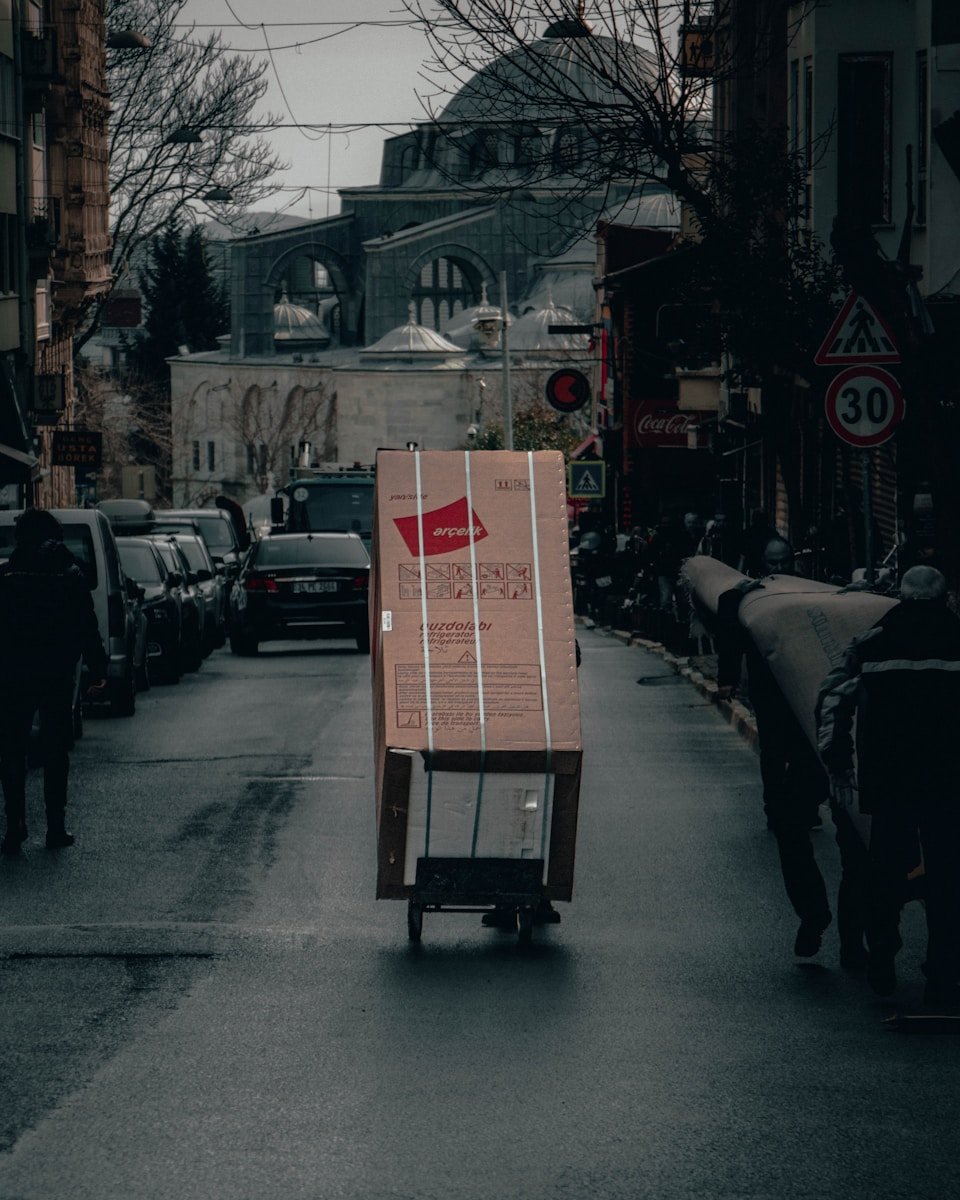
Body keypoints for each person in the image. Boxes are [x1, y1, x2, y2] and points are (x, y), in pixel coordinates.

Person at [715, 537, 866, 962]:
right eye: (771, 562)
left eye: (783, 562)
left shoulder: (815, 597)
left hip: (829, 740)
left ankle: (850, 935)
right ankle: (820, 919)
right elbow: (728, 609)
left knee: (847, 837)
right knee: (795, 827)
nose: (777, 568)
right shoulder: (756, 600)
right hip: (797, 734)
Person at [817, 565, 960, 1007]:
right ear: (944, 597)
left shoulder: (873, 639)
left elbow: (833, 698)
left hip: (890, 780)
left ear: (899, 596)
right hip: (947, 783)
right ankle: (942, 974)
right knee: (947, 880)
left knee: (885, 873)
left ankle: (883, 952)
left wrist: (837, 760)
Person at [0, 508, 107, 855]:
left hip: (14, 673)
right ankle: (55, 826)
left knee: (13, 750)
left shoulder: (9, 575)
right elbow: (86, 624)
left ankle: (15, 825)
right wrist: (98, 667)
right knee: (55, 749)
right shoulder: (69, 573)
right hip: (56, 672)